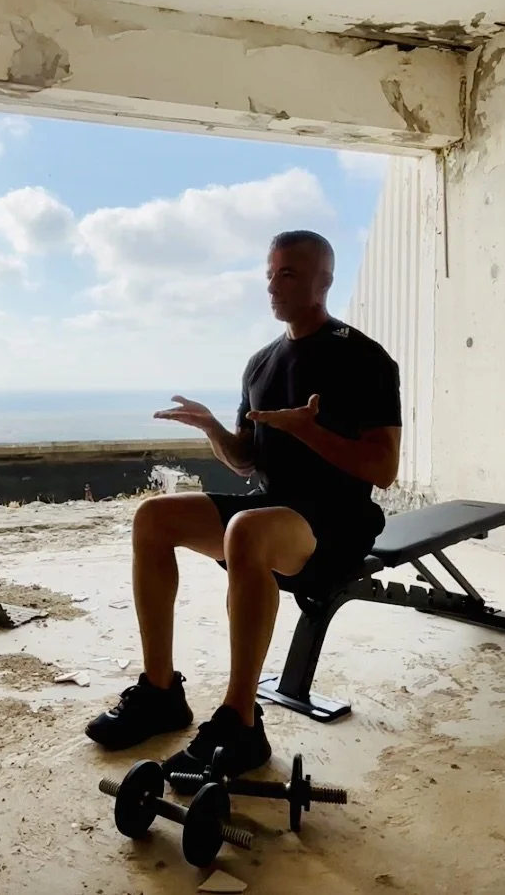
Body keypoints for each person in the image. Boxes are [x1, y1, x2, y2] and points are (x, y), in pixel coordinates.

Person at [84, 230, 403, 780]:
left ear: (323, 281)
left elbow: (384, 469)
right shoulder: (262, 363)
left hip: (337, 520)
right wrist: (212, 429)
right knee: (153, 518)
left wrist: (310, 431)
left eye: (289, 275)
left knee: (248, 530)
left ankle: (241, 721)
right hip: (270, 510)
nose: (274, 286)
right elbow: (247, 460)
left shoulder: (364, 357)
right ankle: (161, 692)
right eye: (270, 274)